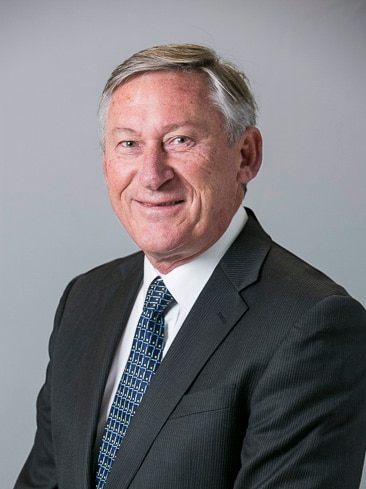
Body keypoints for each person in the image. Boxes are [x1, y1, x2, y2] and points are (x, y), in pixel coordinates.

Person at [14, 43, 366, 489]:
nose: (151, 173)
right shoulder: (85, 297)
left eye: (180, 140)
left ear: (246, 156)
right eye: (129, 144)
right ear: (106, 165)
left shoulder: (312, 323)